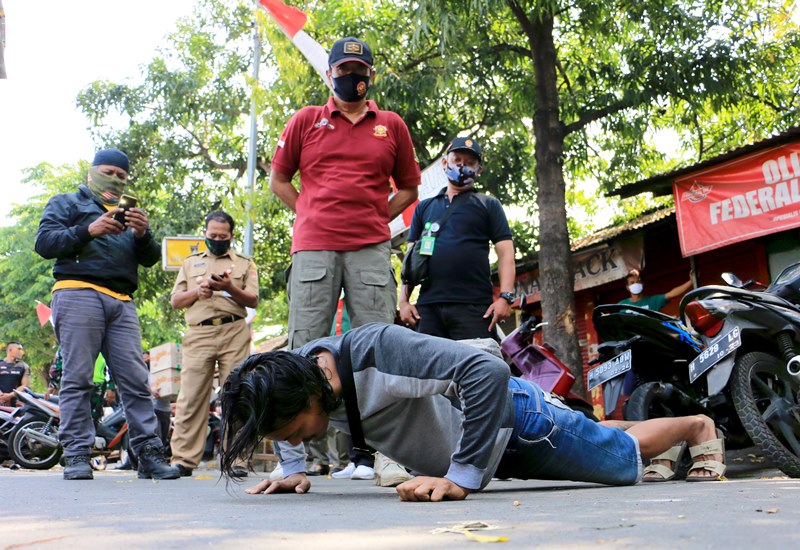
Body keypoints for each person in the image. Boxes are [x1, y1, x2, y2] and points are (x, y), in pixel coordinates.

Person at [219, 323, 726, 501]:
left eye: (294, 432)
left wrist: (461, 475)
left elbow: (487, 373)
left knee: (618, 461)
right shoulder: (299, 376)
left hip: (518, 426)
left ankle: (698, 427)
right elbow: (280, 418)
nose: (298, 439)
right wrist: (292, 471)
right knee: (590, 433)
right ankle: (665, 439)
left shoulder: (378, 350)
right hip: (487, 447)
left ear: (317, 392)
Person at [269, 36, 420, 482]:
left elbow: (409, 188)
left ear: (370, 76)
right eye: (342, 69)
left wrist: (377, 217)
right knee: (303, 348)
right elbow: (279, 179)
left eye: (359, 69)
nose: (350, 76)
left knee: (378, 346)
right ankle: (294, 460)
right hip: (314, 247)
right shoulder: (306, 120)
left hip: (370, 249)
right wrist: (310, 213)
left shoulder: (391, 125)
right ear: (330, 73)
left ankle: (385, 453)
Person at [34, 148, 179, 481]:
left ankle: (148, 455)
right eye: (108, 171)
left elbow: (151, 258)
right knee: (78, 378)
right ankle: (77, 455)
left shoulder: (128, 213)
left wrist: (143, 235)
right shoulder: (67, 203)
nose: (115, 178)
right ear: (92, 172)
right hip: (77, 291)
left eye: (121, 175)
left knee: (136, 382)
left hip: (122, 300)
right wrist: (89, 230)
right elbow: (44, 243)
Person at [169, 210, 258, 478]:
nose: (217, 239)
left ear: (231, 236)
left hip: (234, 330)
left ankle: (237, 459)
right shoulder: (190, 263)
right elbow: (175, 301)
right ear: (205, 234)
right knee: (191, 396)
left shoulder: (246, 263)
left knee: (238, 394)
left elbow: (253, 300)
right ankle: (183, 460)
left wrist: (229, 287)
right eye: (212, 235)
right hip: (199, 333)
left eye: (223, 236)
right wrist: (198, 292)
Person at [399, 136, 515, 339]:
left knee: (476, 368)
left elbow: (506, 254)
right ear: (445, 163)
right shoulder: (424, 207)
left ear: (479, 170)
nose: (463, 166)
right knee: (429, 369)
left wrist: (505, 297)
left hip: (474, 305)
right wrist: (404, 302)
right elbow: (411, 260)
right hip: (428, 308)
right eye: (457, 160)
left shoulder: (488, 205)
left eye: (470, 163)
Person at [618, 269, 693, 311]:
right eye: (632, 283)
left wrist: (691, 282)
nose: (636, 284)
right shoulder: (621, 305)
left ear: (643, 284)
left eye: (638, 281)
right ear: (627, 287)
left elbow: (671, 294)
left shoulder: (652, 301)